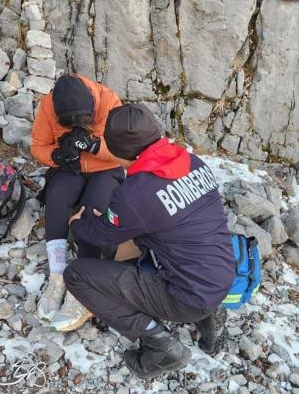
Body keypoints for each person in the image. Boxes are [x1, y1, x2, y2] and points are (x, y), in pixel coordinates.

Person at [64, 103, 235, 378]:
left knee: (76, 275)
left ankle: (160, 345)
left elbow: (98, 234)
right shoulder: (193, 162)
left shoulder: (135, 194)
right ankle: (210, 317)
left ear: (118, 151)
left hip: (187, 298)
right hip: (224, 275)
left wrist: (78, 224)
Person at [30, 73, 124, 331]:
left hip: (106, 168)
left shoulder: (109, 102)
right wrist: (56, 156)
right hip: (70, 167)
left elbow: (124, 149)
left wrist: (94, 146)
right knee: (57, 198)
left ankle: (81, 287)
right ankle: (57, 276)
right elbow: (38, 146)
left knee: (93, 209)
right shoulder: (48, 105)